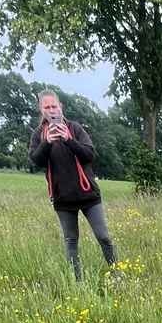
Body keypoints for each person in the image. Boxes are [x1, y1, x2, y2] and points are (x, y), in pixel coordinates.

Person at [28, 91, 117, 282]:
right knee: (70, 241)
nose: (51, 110)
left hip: (88, 194)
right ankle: (77, 283)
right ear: (41, 109)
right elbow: (37, 160)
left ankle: (117, 275)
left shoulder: (74, 128)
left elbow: (89, 154)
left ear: (61, 107)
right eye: (47, 107)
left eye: (54, 106)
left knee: (103, 237)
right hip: (63, 197)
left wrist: (68, 140)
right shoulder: (38, 135)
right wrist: (47, 142)